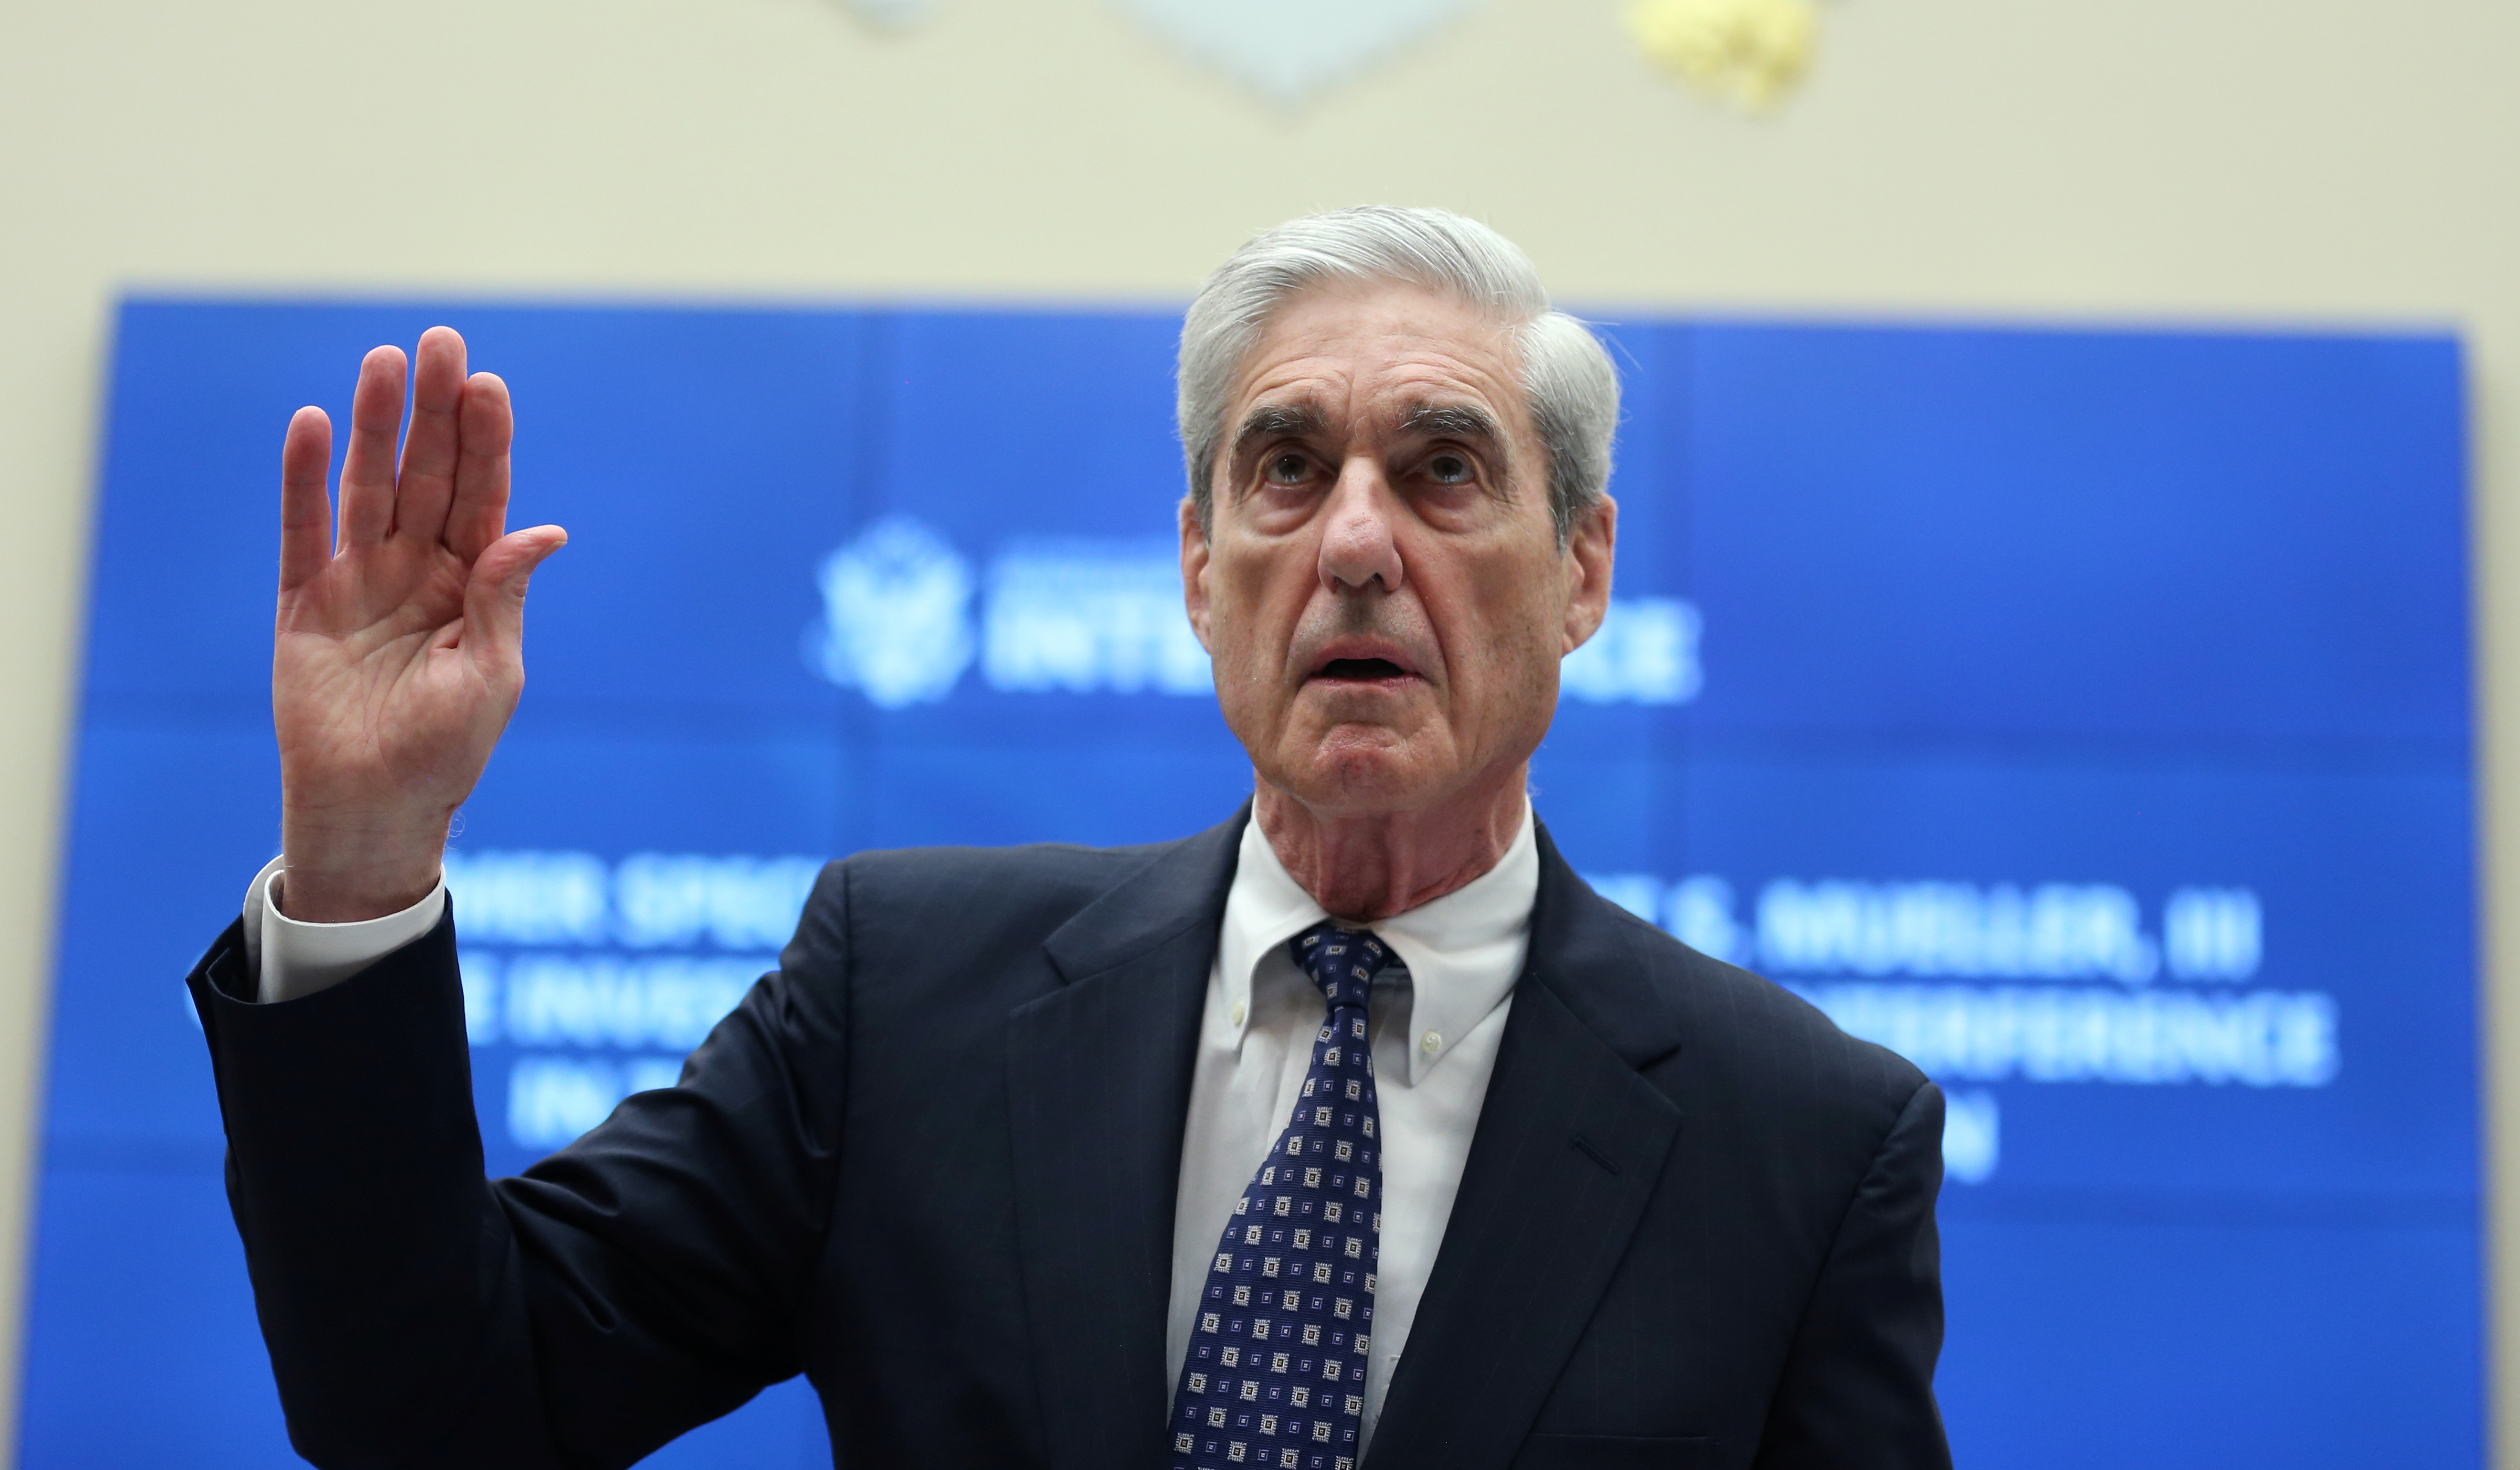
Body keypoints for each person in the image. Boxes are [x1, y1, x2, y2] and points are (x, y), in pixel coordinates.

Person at [189, 208, 1952, 1470]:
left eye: (1441, 468)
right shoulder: (905, 1002)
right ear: (1199, 565)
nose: (1351, 540)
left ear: (1580, 571)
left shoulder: (1797, 1143)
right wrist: (361, 853)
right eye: (1284, 467)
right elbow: (435, 1415)